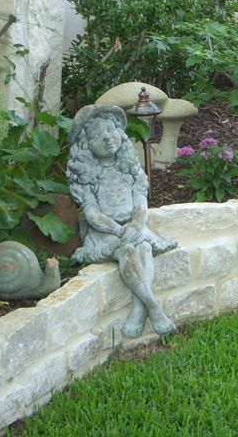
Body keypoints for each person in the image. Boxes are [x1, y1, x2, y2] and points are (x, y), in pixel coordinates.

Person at [67, 104, 177, 336]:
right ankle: (153, 307)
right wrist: (119, 231)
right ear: (86, 145)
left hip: (133, 226)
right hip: (105, 234)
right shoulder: (87, 174)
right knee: (128, 250)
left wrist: (137, 224)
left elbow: (140, 201)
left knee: (145, 247)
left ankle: (140, 309)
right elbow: (92, 215)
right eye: (98, 135)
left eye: (111, 130)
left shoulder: (129, 167)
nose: (107, 138)